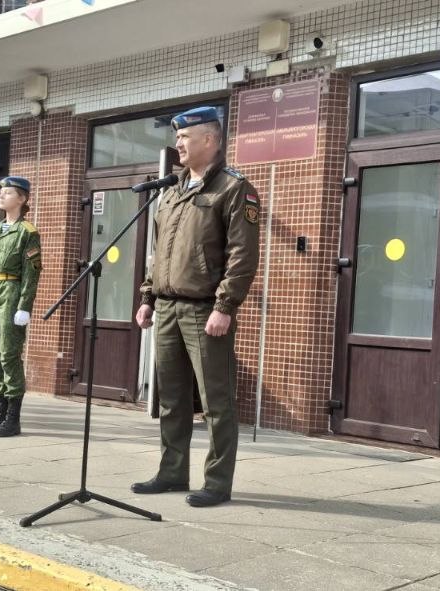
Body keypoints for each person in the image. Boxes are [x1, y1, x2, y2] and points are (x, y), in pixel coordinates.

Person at [131, 106, 261, 508]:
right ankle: (172, 472)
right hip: (167, 309)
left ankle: (217, 483)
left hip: (205, 311)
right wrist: (148, 296)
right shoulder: (172, 190)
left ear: (209, 139)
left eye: (185, 137)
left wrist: (225, 305)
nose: (178, 144)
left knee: (216, 402)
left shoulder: (234, 188)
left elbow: (242, 255)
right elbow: (159, 254)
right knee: (171, 399)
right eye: (177, 137)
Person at [0, 176, 41, 437]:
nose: (2, 195)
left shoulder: (27, 232)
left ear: (22, 199)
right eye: (1, 191)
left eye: (9, 192)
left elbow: (31, 273)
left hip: (12, 291)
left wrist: (24, 306)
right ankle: (0, 412)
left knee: (8, 354)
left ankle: (13, 418)